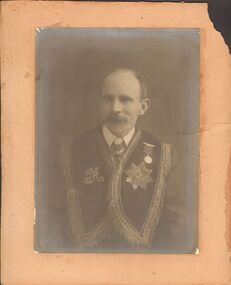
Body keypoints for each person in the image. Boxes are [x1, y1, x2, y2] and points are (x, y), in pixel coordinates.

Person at [59, 68, 188, 252]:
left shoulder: (164, 156)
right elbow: (52, 216)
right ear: (100, 103)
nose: (115, 108)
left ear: (143, 107)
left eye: (125, 100)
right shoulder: (70, 152)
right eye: (108, 99)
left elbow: (177, 224)